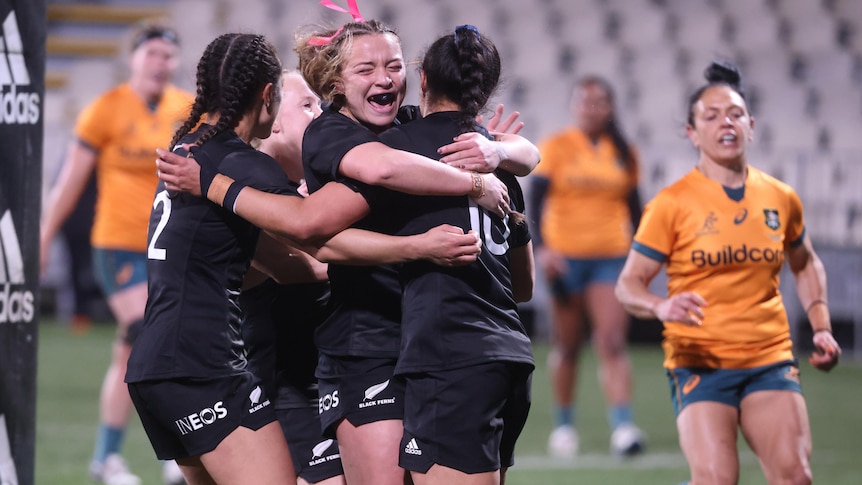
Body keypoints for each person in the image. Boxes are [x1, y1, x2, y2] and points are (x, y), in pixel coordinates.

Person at [156, 13, 538, 485]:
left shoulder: (411, 126)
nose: (384, 79)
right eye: (366, 69)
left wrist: (500, 151)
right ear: (336, 82)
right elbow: (333, 220)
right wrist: (470, 185)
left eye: (394, 66)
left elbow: (527, 152)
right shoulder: (330, 134)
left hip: (425, 344)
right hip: (366, 346)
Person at [615, 61, 841, 485]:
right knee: (717, 480)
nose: (726, 123)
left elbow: (806, 261)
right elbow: (628, 285)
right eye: (712, 115)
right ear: (692, 132)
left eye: (735, 114)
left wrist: (821, 325)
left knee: (795, 477)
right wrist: (661, 305)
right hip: (700, 362)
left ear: (751, 125)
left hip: (768, 357)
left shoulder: (780, 197)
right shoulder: (672, 203)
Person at [378, 25, 537, 485]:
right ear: (485, 91)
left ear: (422, 80)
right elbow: (522, 286)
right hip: (509, 356)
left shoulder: (399, 149)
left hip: (449, 355)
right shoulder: (498, 162)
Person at [39, 22, 193, 485]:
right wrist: (44, 237)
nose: (159, 62)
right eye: (151, 54)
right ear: (133, 58)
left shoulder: (185, 109)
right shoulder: (105, 110)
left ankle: (124, 455)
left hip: (166, 246)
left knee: (142, 349)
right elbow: (70, 182)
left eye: (167, 55)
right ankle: (142, 452)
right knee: (144, 329)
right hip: (117, 244)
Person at [529, 76, 645, 458]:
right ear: (574, 106)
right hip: (565, 259)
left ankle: (623, 427)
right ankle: (563, 427)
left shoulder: (624, 152)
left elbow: (636, 210)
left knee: (611, 341)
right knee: (568, 345)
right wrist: (543, 250)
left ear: (610, 107)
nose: (592, 108)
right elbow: (536, 203)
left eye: (599, 102)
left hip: (611, 256)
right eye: (585, 101)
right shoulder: (557, 146)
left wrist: (644, 255)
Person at [240, 71, 345, 485]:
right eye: (307, 105)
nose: (321, 114)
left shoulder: (320, 188)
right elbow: (304, 267)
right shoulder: (251, 193)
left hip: (334, 379)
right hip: (285, 388)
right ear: (273, 118)